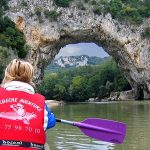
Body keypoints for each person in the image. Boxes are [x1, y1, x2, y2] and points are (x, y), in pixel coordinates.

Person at [0, 59, 56, 150]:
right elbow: (51, 122)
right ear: (30, 78)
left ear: (6, 76)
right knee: (45, 145)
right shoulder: (41, 102)